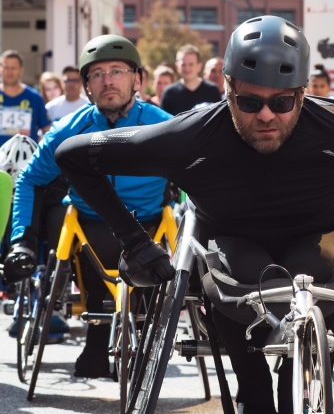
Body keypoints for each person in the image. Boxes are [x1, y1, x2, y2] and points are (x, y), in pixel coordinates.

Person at [55, 15, 334, 414]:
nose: (266, 115)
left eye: (283, 102)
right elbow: (73, 156)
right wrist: (135, 242)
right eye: (248, 101)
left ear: (304, 93)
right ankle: (252, 381)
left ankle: (296, 374)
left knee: (312, 272)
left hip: (314, 243)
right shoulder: (188, 136)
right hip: (230, 245)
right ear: (226, 88)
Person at [4, 35, 172, 377]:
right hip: (90, 227)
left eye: (117, 71)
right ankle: (96, 336)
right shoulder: (68, 130)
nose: (107, 80)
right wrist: (21, 240)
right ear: (87, 87)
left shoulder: (165, 125)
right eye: (96, 74)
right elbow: (29, 181)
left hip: (150, 226)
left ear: (137, 79)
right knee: (64, 221)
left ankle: (140, 330)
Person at [0, 51, 50, 147]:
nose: (9, 72)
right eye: (6, 67)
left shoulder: (35, 97)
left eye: (13, 68)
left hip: (27, 160)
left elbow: (47, 131)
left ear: (21, 70)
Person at [160, 45, 221, 114]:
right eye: (183, 64)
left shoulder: (212, 90)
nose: (187, 69)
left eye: (191, 64)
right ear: (177, 66)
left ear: (199, 66)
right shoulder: (169, 93)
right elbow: (164, 122)